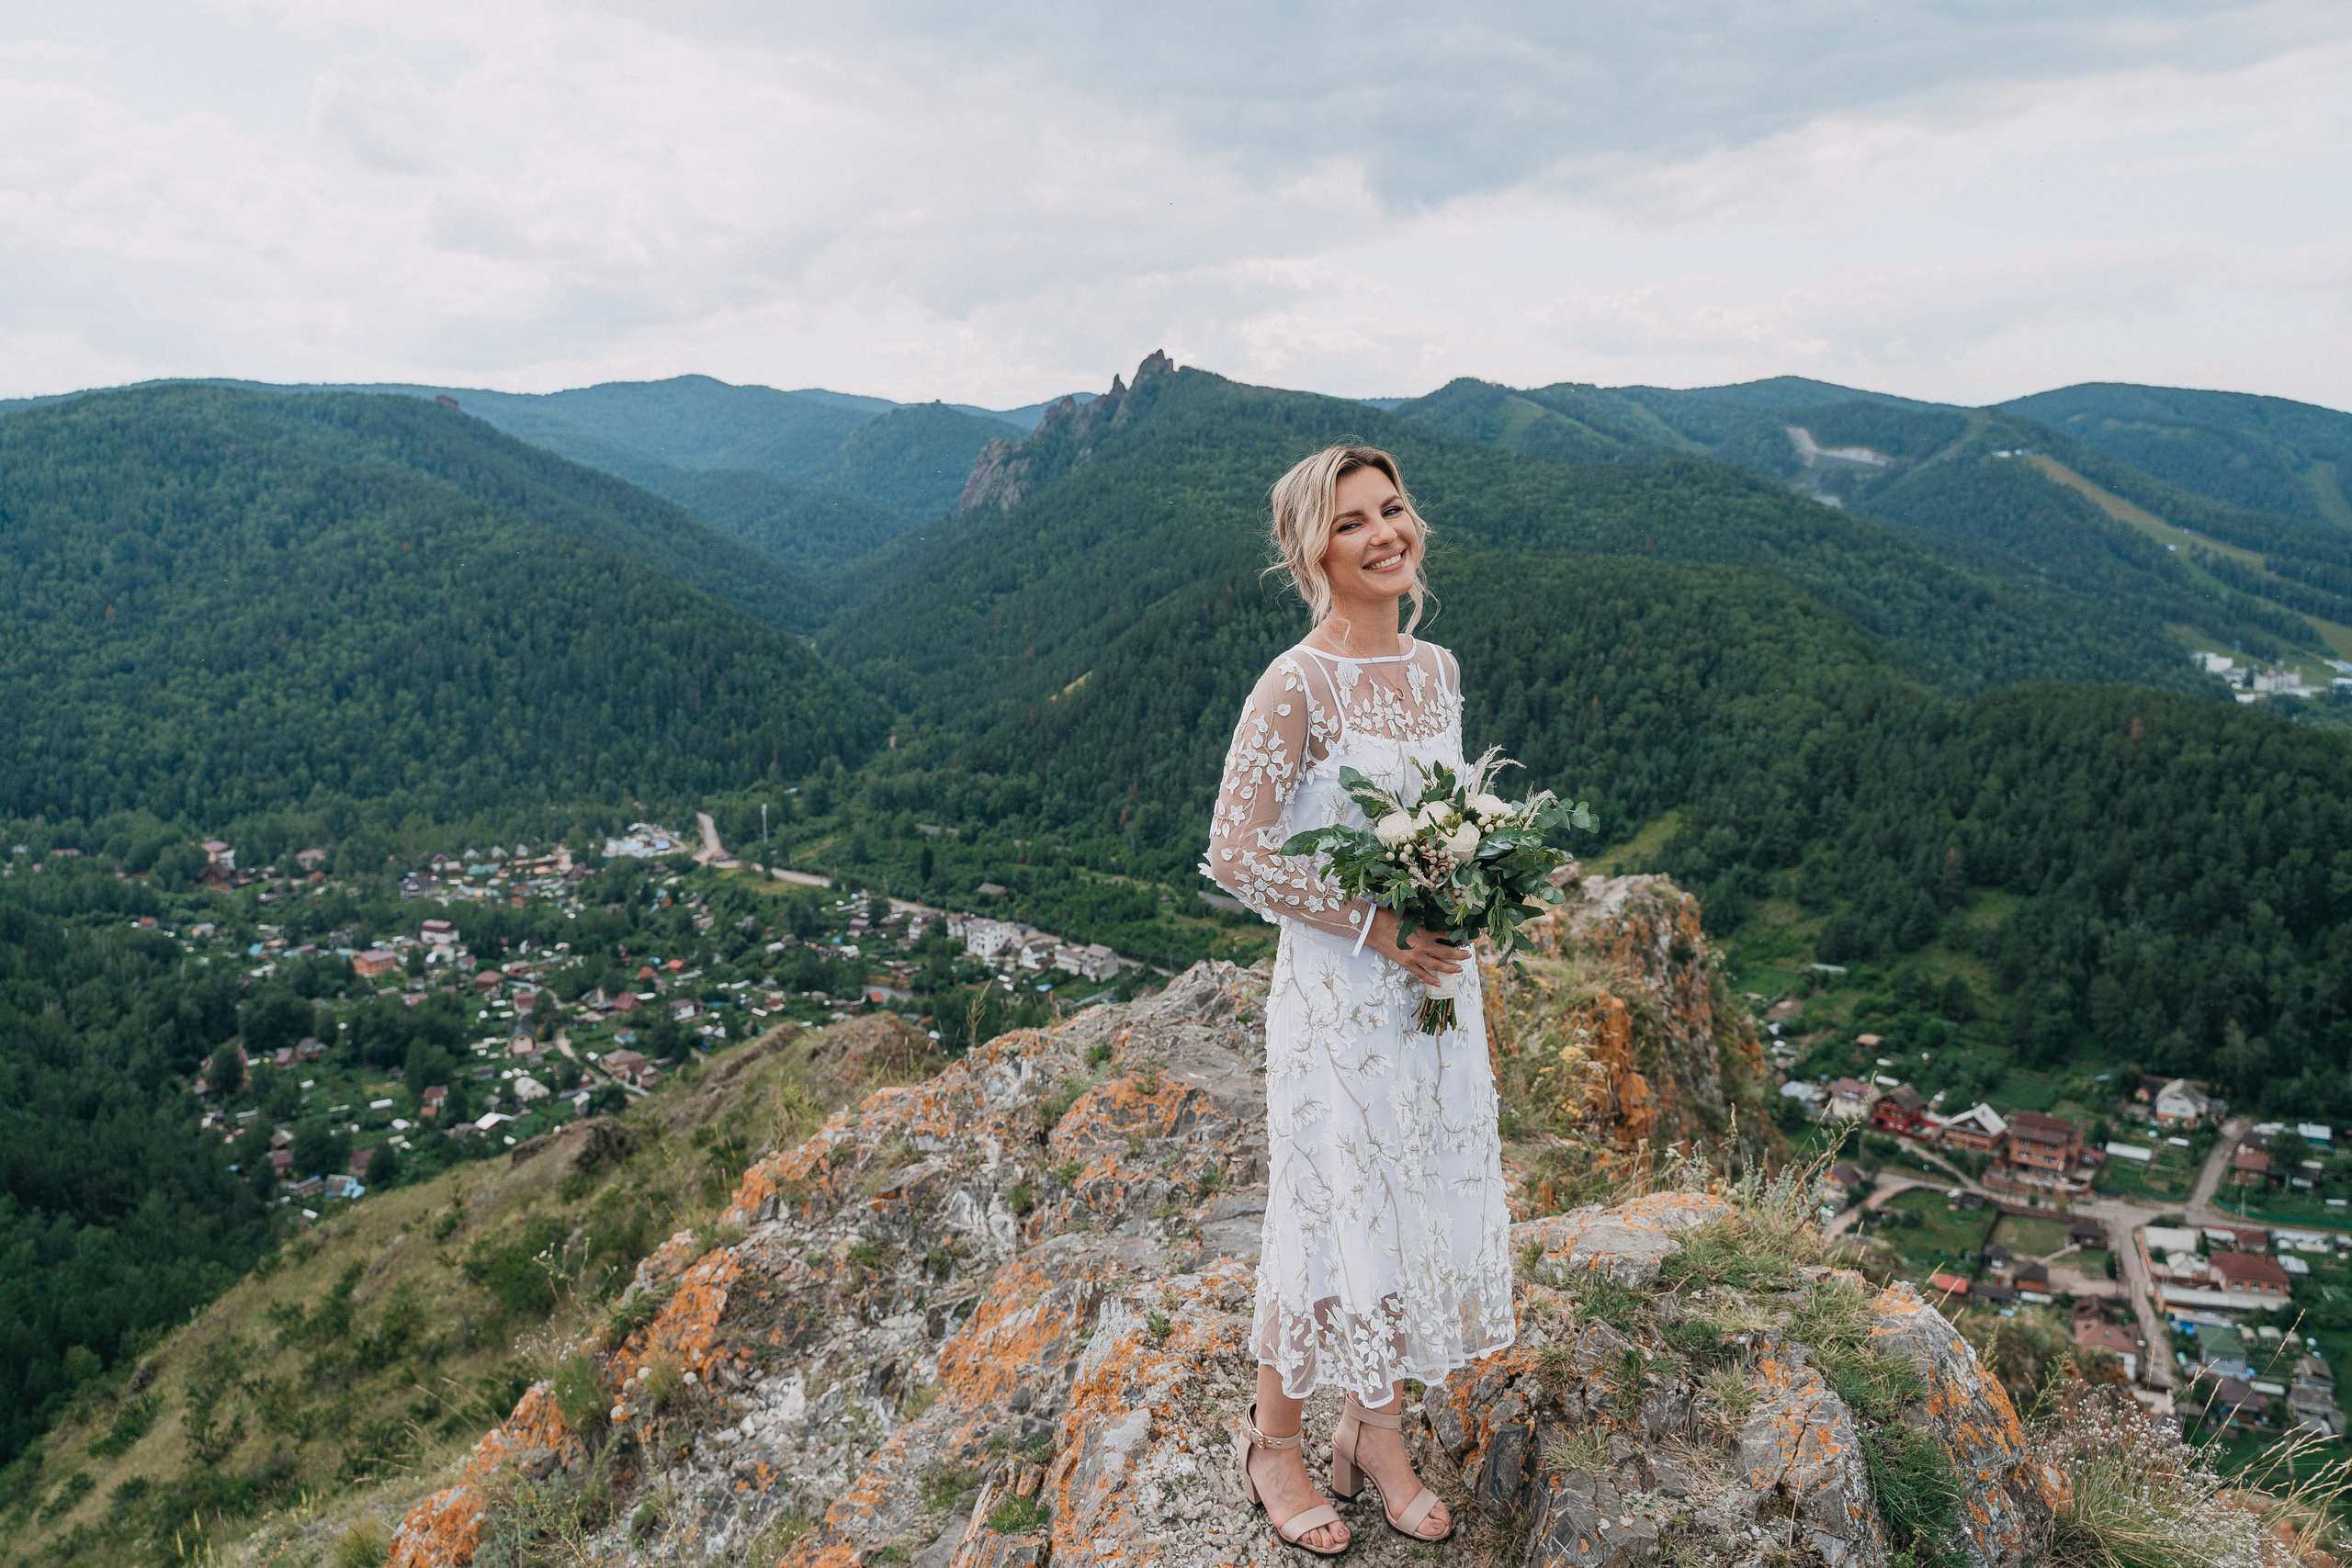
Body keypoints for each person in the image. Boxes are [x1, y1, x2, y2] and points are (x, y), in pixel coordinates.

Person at [1201, 444, 1510, 1552]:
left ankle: (1370, 1432)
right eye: (1352, 523)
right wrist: (1378, 927)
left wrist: (1457, 899)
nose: (1385, 535)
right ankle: (1273, 1443)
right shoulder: (1298, 683)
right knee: (1329, 1205)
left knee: (1417, 1191)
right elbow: (1236, 851)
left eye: (1393, 510)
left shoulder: (1439, 673)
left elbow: (1438, 829)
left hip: (1432, 993)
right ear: (1310, 551)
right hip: (1338, 995)